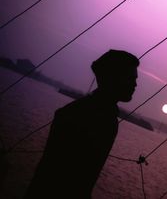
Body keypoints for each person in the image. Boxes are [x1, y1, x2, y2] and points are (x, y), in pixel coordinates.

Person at [24, 50, 140, 199]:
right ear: (113, 78)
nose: (135, 84)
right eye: (130, 78)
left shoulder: (100, 115)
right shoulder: (90, 117)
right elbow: (64, 177)